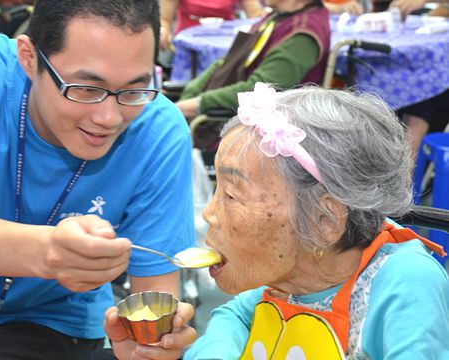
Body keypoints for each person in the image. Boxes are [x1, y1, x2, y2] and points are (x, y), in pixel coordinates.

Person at [0, 0, 197, 359]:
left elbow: (154, 302)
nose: (109, 117)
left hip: (49, 326)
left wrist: (153, 346)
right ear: (28, 58)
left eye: (134, 90)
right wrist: (49, 252)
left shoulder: (159, 133)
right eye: (86, 89)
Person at [183, 83, 449, 359]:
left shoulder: (406, 285)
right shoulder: (288, 270)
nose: (208, 214)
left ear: (324, 221)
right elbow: (235, 314)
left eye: (231, 195)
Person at [175, 0, 330, 120]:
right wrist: (192, 92)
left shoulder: (301, 36)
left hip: (245, 131)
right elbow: (228, 60)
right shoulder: (278, 16)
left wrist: (198, 104)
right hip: (229, 116)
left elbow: (261, 91)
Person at [159, 0, 266, 52]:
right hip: (190, 44)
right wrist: (163, 31)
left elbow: (255, 15)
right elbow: (164, 19)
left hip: (227, 43)